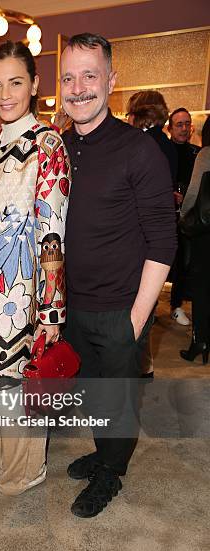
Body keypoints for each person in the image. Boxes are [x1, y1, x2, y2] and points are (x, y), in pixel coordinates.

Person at [60, 33, 177, 517]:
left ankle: (112, 471)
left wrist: (135, 320)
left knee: (119, 401)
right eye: (68, 77)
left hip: (121, 309)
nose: (79, 87)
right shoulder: (57, 147)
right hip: (72, 307)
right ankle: (104, 451)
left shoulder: (139, 149)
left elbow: (164, 242)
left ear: (111, 80)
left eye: (90, 75)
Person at [0, 41, 70, 495]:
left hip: (24, 298)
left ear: (34, 85)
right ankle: (4, 468)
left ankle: (24, 473)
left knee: (17, 393)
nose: (4, 94)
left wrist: (50, 316)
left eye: (15, 82)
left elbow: (52, 238)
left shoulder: (48, 144)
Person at [126, 90, 178, 378]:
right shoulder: (166, 144)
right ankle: (144, 368)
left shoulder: (143, 144)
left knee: (139, 317)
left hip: (142, 241)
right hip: (153, 237)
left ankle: (142, 371)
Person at [179, 115, 210, 364]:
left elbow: (192, 193)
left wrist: (183, 219)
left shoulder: (206, 154)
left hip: (206, 234)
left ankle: (200, 341)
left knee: (202, 289)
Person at [167, 107, 201, 325]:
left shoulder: (197, 153)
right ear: (169, 127)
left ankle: (176, 304)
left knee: (185, 262)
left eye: (187, 124)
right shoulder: (162, 151)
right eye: (179, 124)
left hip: (190, 216)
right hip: (165, 215)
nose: (184, 128)